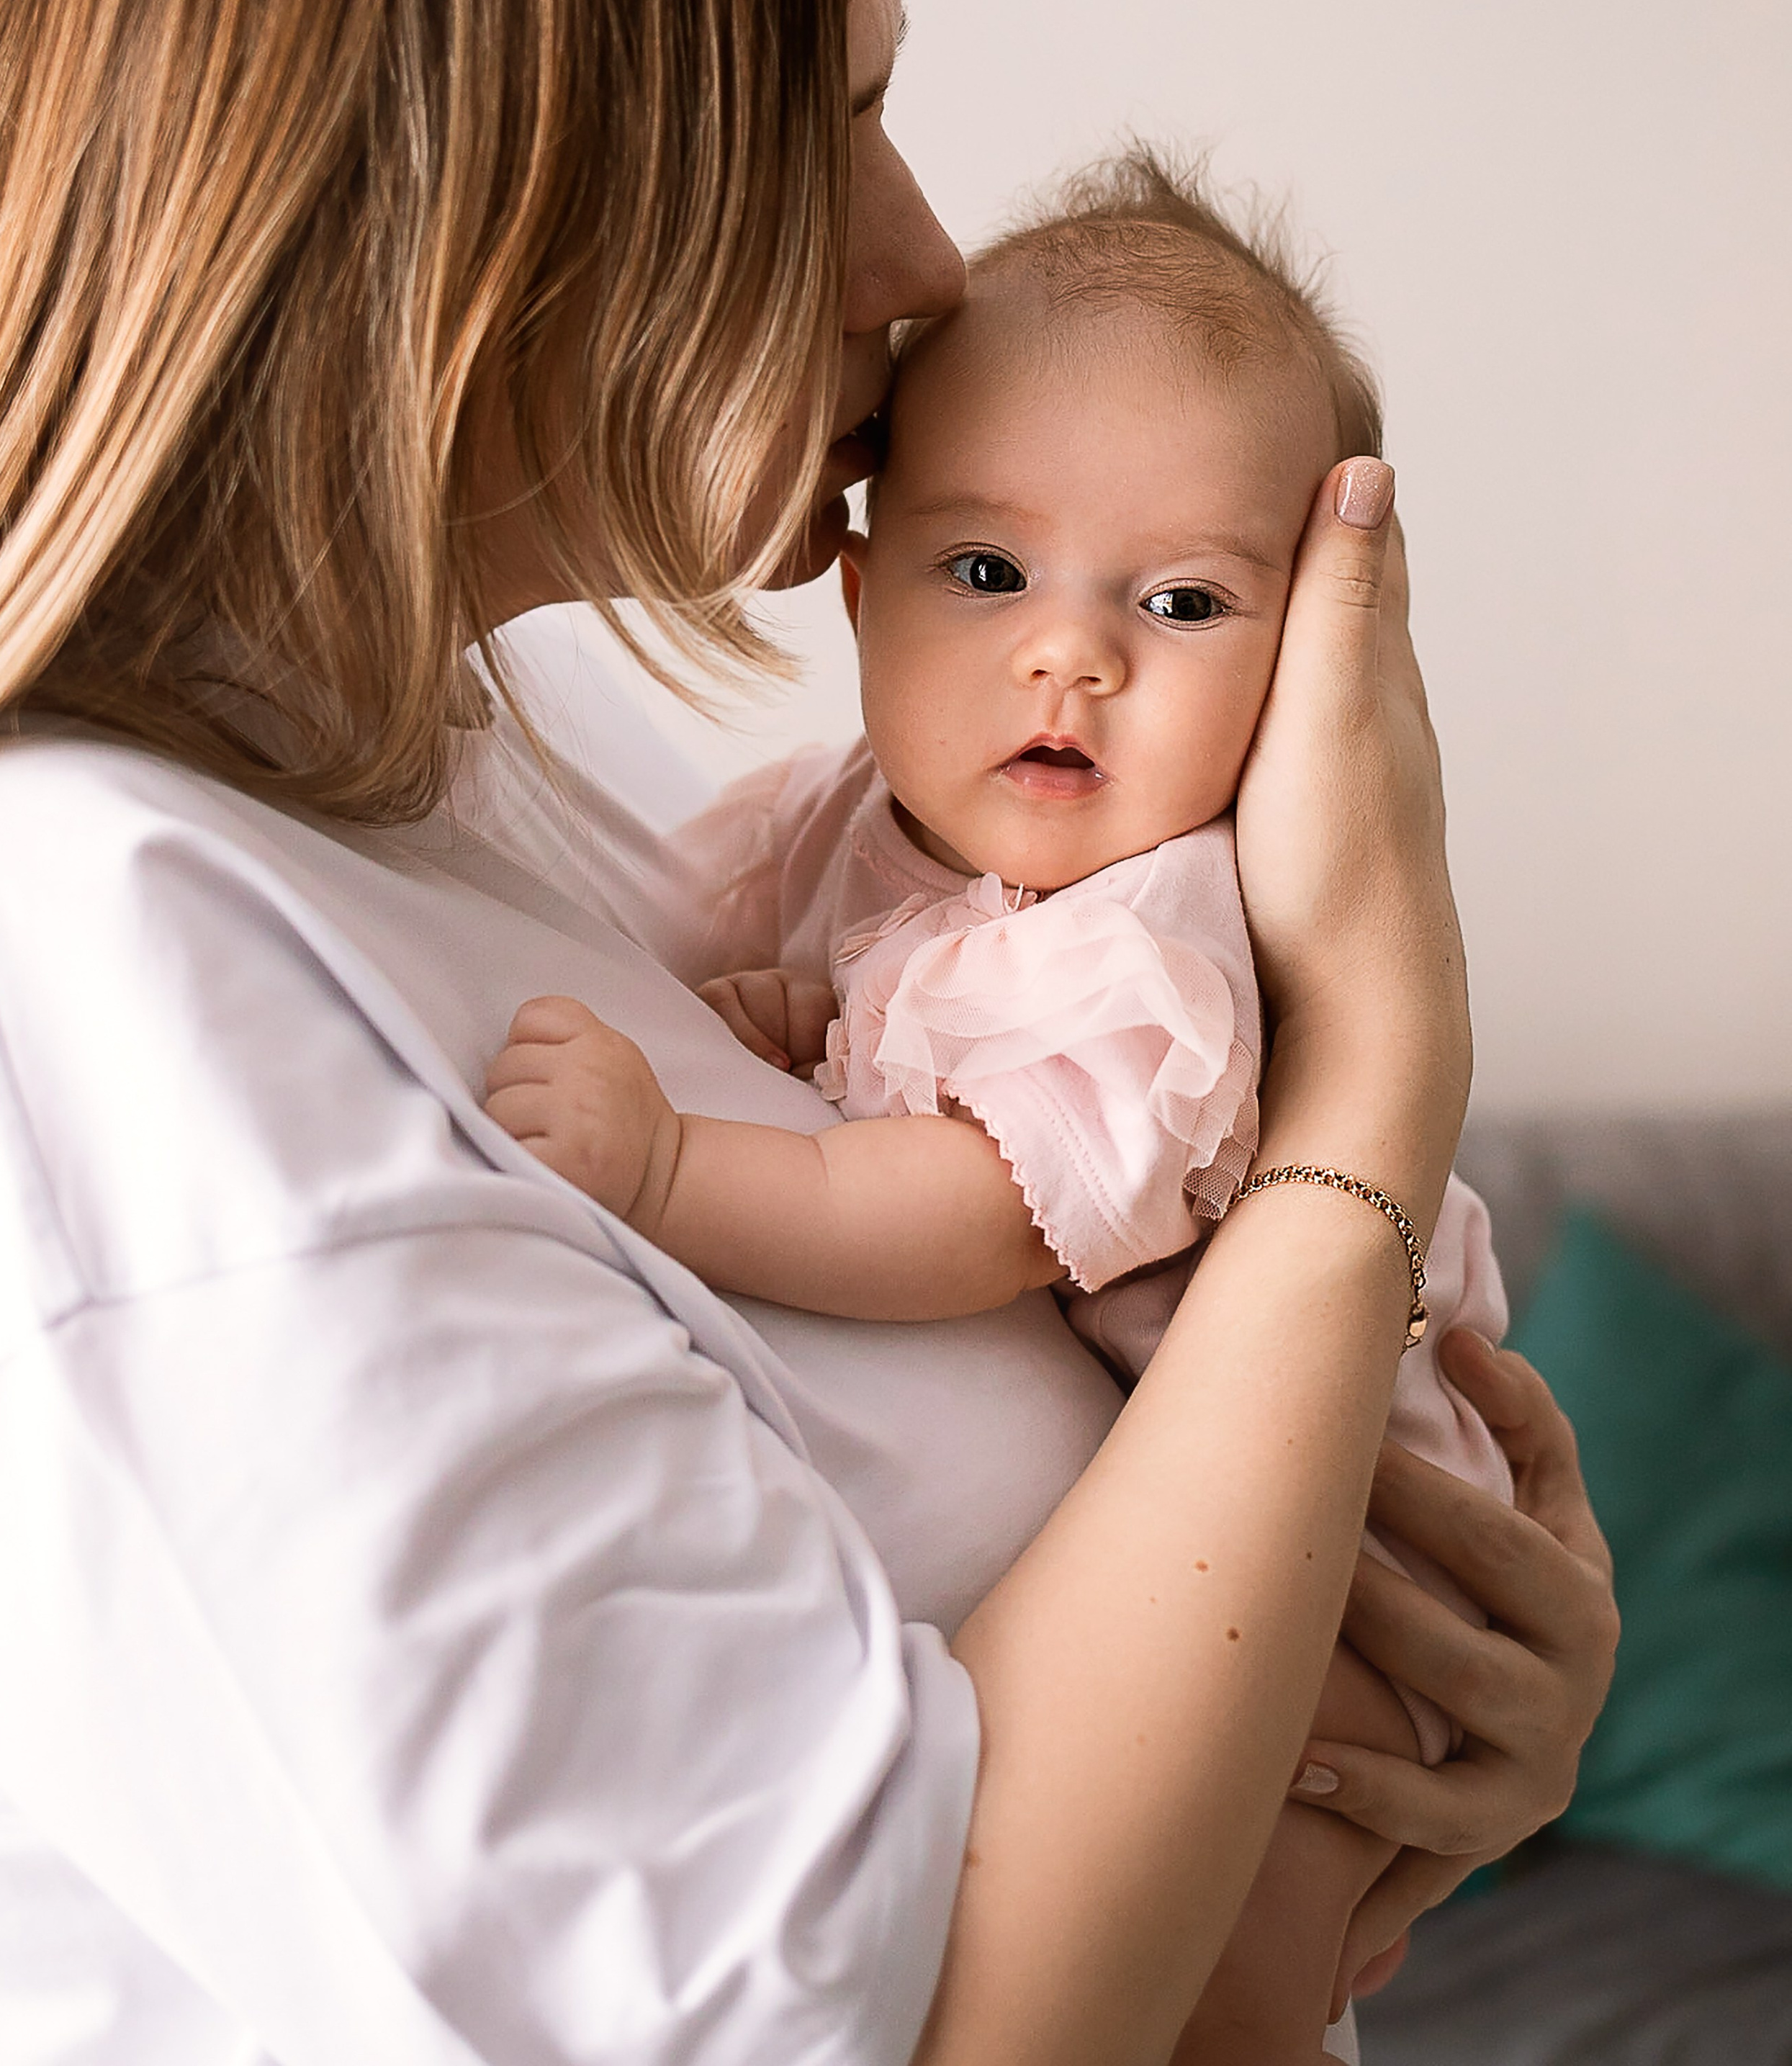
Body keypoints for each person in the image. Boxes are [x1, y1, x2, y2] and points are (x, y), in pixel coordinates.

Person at [0, 0, 1615, 2066]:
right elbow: (908, 2029)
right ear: (500, 174)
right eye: (835, 113)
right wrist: (1371, 1088)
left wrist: (1462, 1681)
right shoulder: (97, 965)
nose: (931, 255)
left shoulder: (500, 774)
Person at [482, 165, 1515, 2060]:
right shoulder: (831, 829)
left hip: (1355, 1550)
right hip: (1153, 1551)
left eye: (1185, 601)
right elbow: (737, 997)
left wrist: (678, 1160)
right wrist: (783, 1029)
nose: (1072, 654)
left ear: (1316, 682)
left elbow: (978, 1213)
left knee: (1247, 1976)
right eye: (987, 573)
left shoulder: (1163, 945)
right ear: (862, 598)